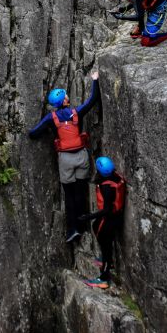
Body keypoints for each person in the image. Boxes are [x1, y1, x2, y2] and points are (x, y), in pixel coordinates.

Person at [28, 72, 100, 243]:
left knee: (69, 195)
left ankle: (72, 230)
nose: (68, 96)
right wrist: (95, 81)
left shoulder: (51, 118)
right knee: (80, 191)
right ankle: (83, 225)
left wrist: (48, 130)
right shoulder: (76, 113)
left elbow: (33, 133)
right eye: (66, 95)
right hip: (81, 156)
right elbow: (92, 100)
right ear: (65, 101)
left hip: (65, 159)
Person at [80, 157, 126, 289]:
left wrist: (88, 216)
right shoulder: (115, 177)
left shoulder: (106, 187)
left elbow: (106, 210)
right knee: (97, 228)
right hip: (115, 216)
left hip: (109, 218)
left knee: (105, 244)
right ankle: (107, 262)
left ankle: (104, 278)